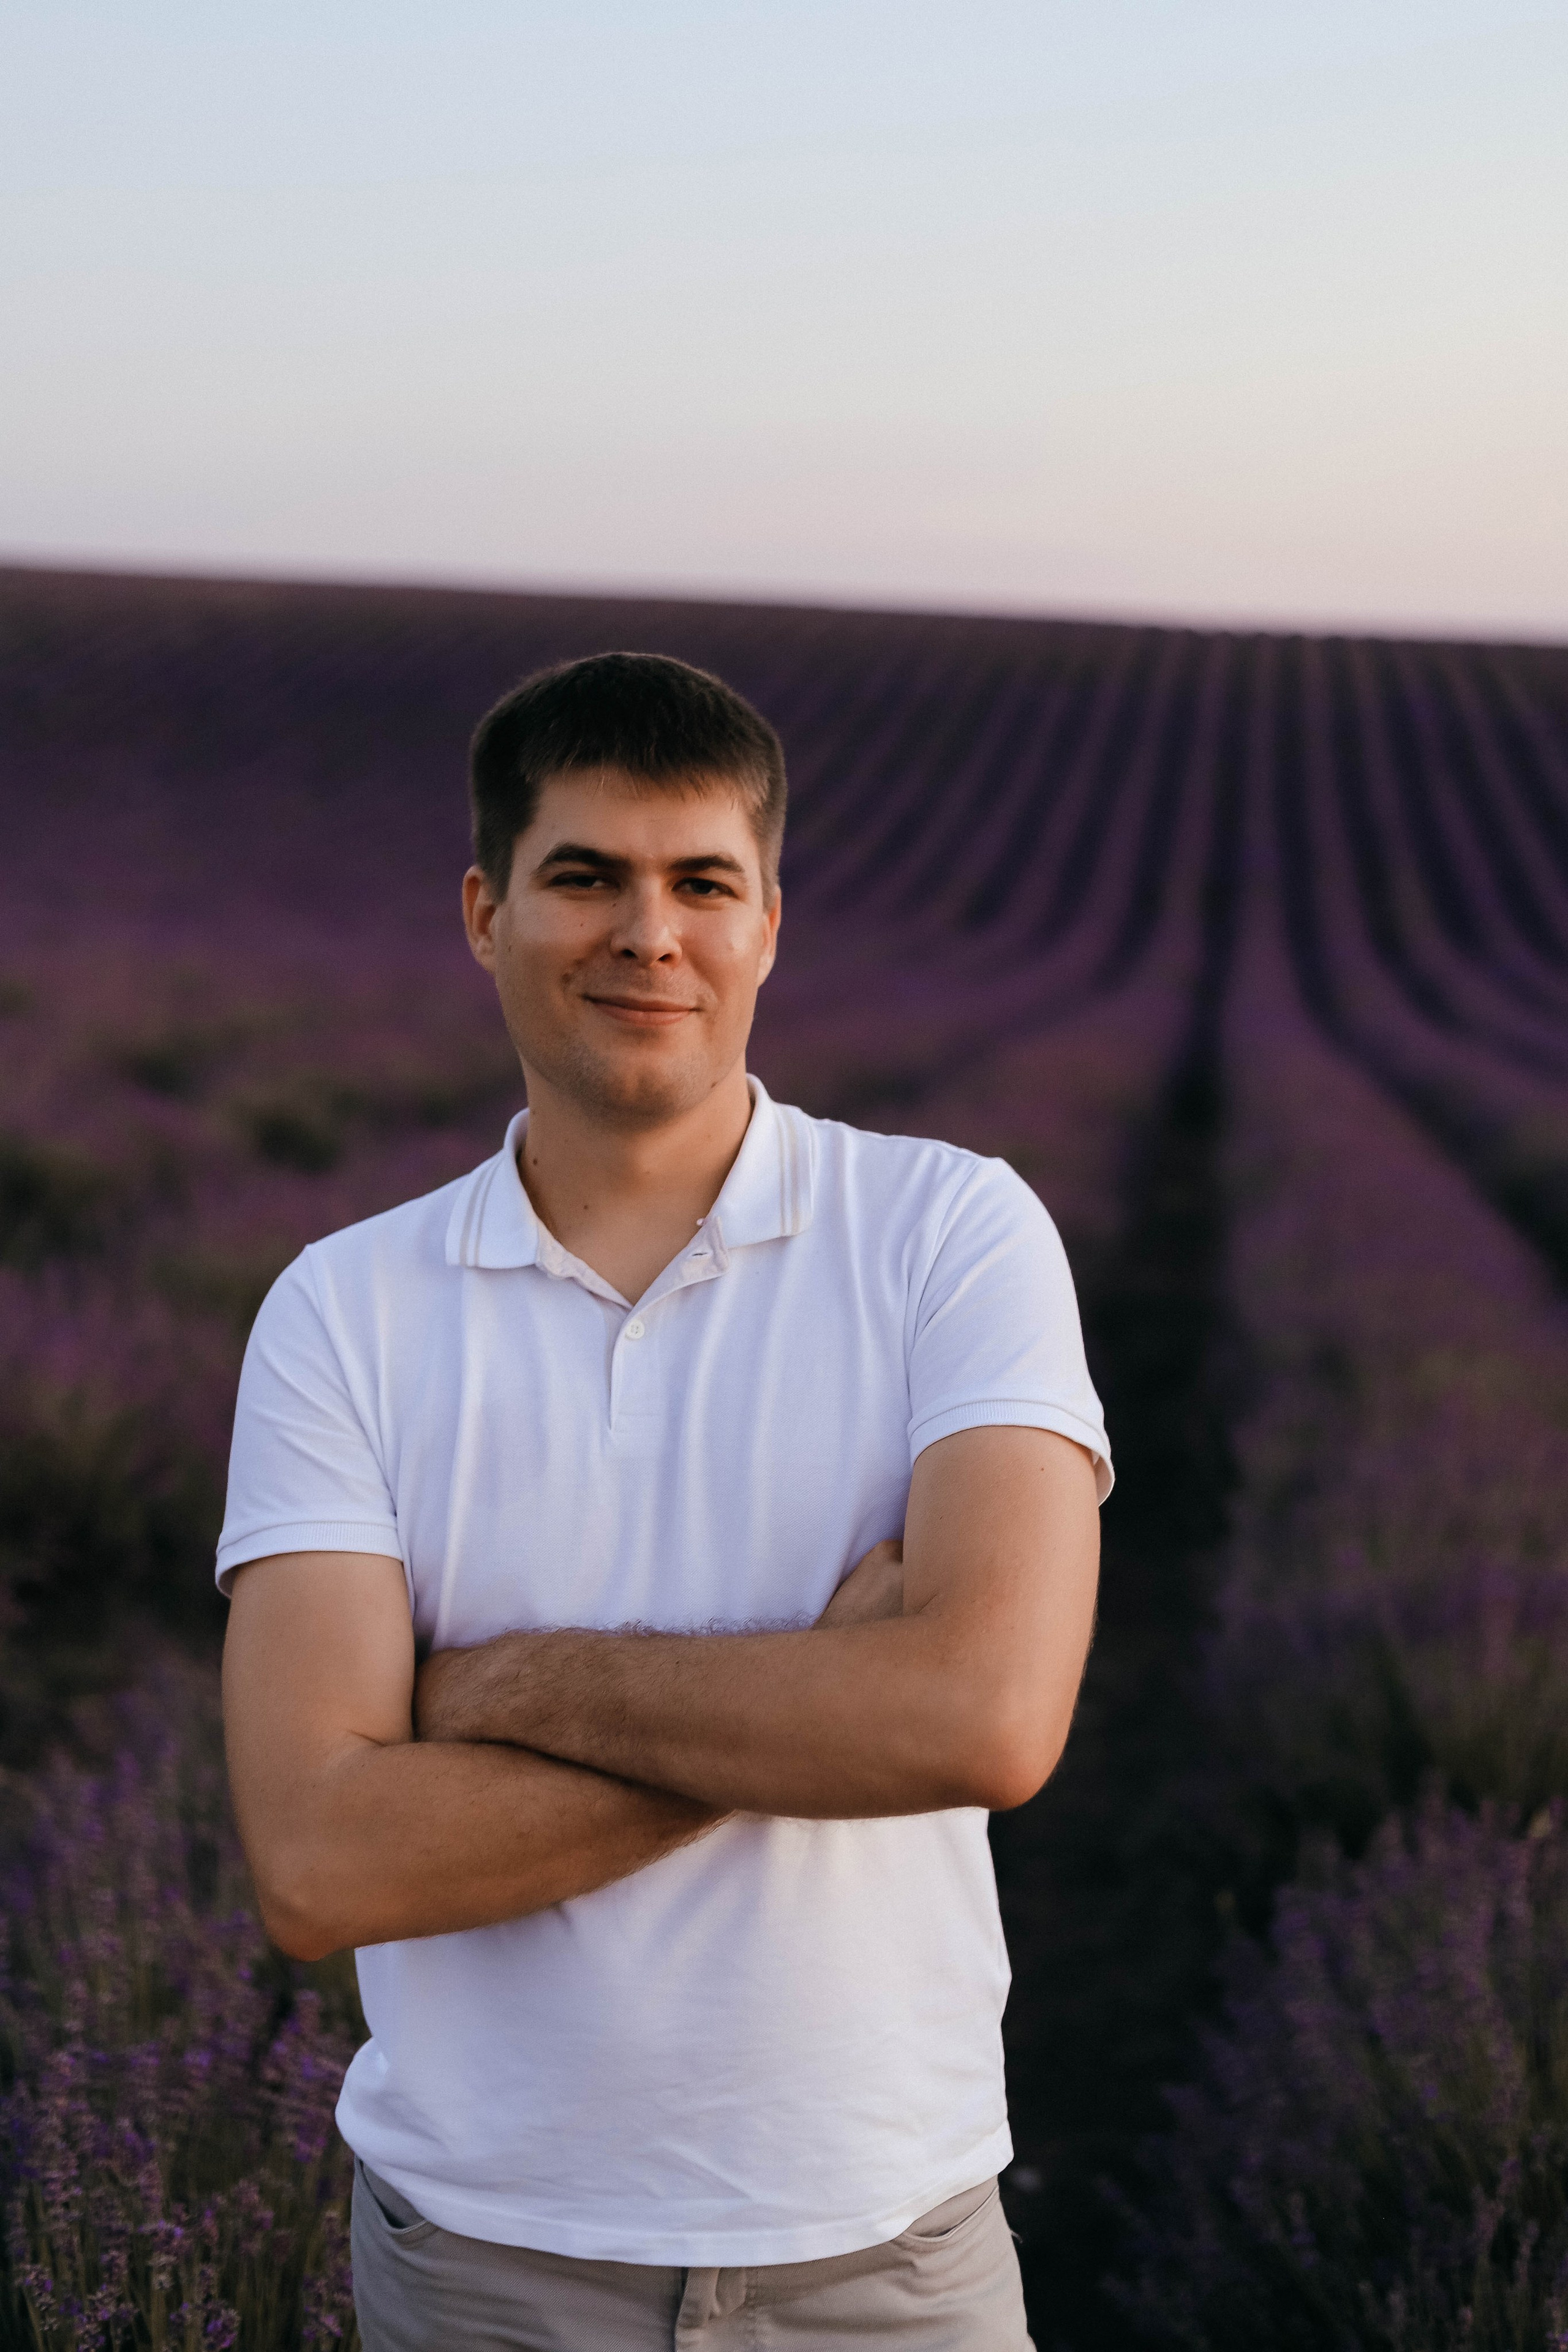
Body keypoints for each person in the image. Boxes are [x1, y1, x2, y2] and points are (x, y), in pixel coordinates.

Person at [219, 650, 1111, 2351]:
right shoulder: (342, 1308)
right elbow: (321, 1865)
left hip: (887, 2259)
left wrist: (505, 1689)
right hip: (485, 2264)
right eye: (585, 879)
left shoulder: (952, 1234)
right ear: (484, 912)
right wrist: (820, 1700)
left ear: (770, 923)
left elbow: (987, 1721)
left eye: (705, 881)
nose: (650, 934)